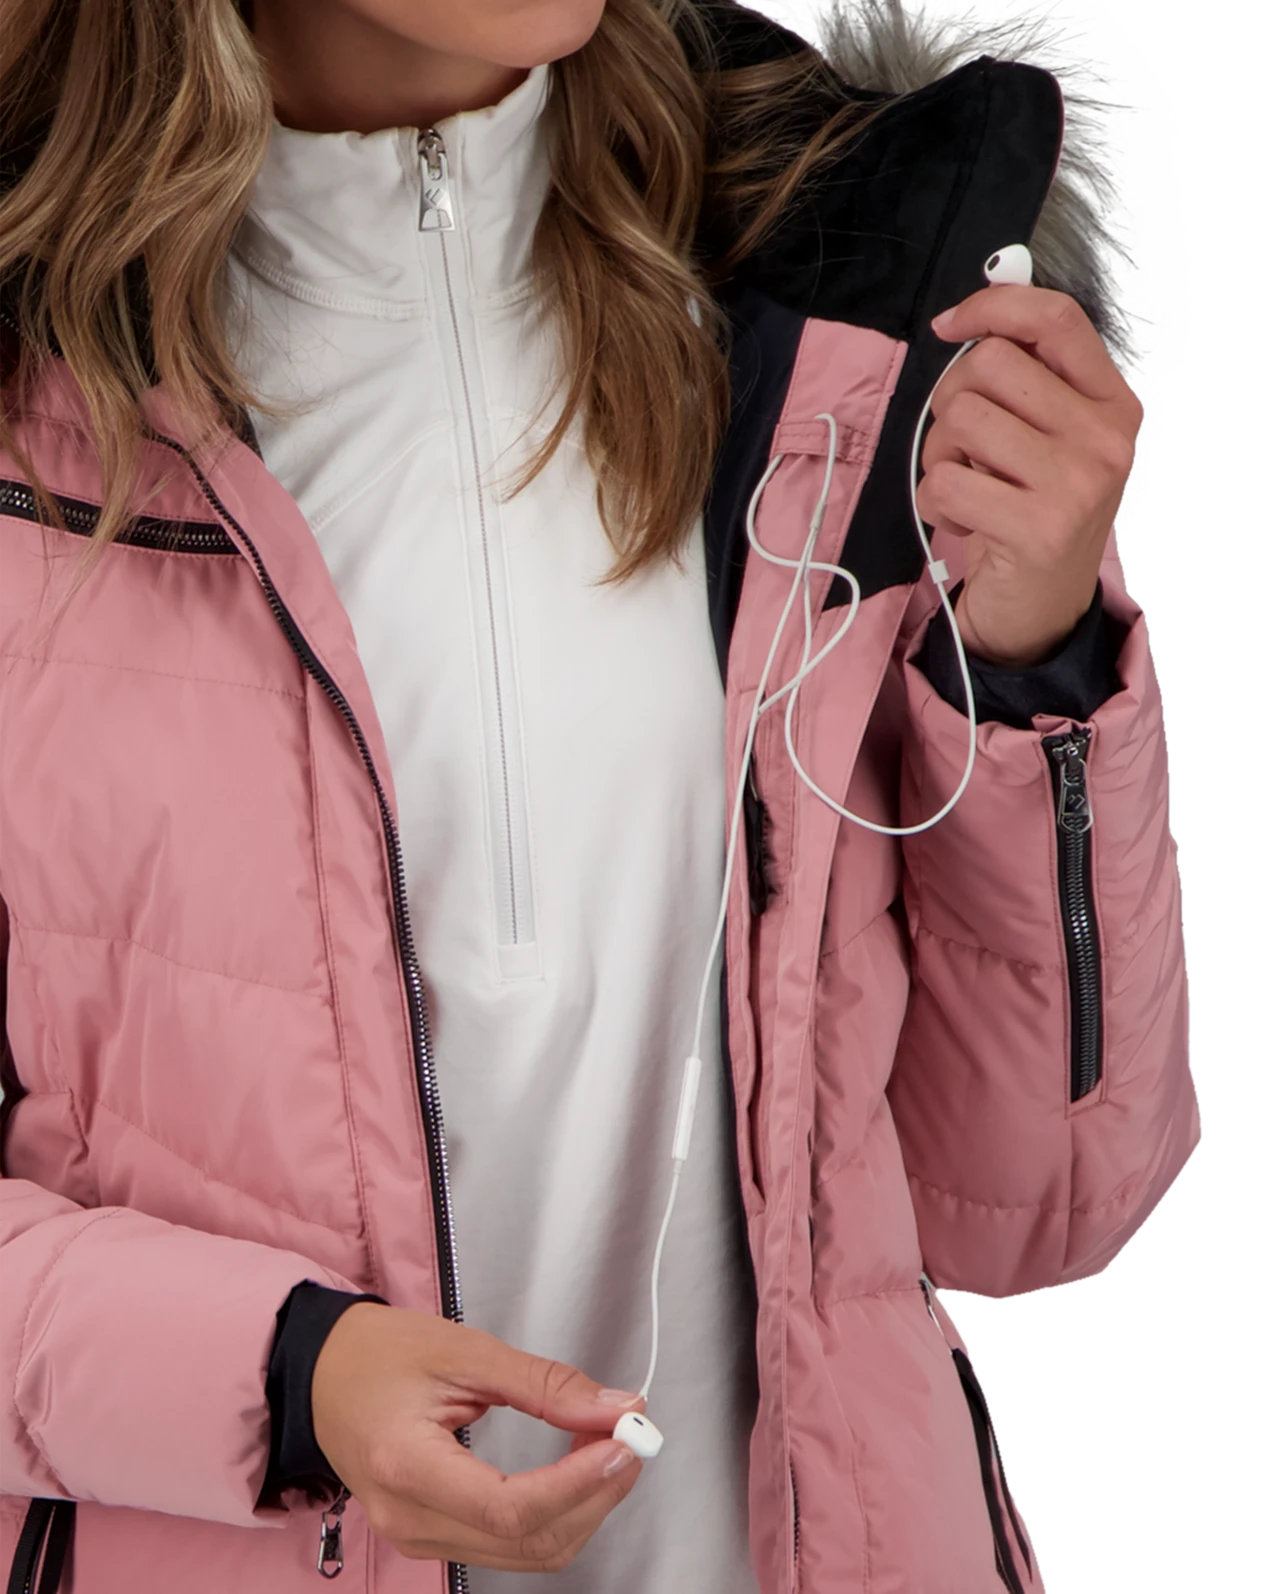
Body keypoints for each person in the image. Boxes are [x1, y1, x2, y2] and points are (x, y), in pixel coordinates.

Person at [0, 1, 1200, 1591]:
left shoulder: (839, 296)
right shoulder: (30, 380)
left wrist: (1029, 659)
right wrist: (287, 1377)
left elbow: (1031, 1196)